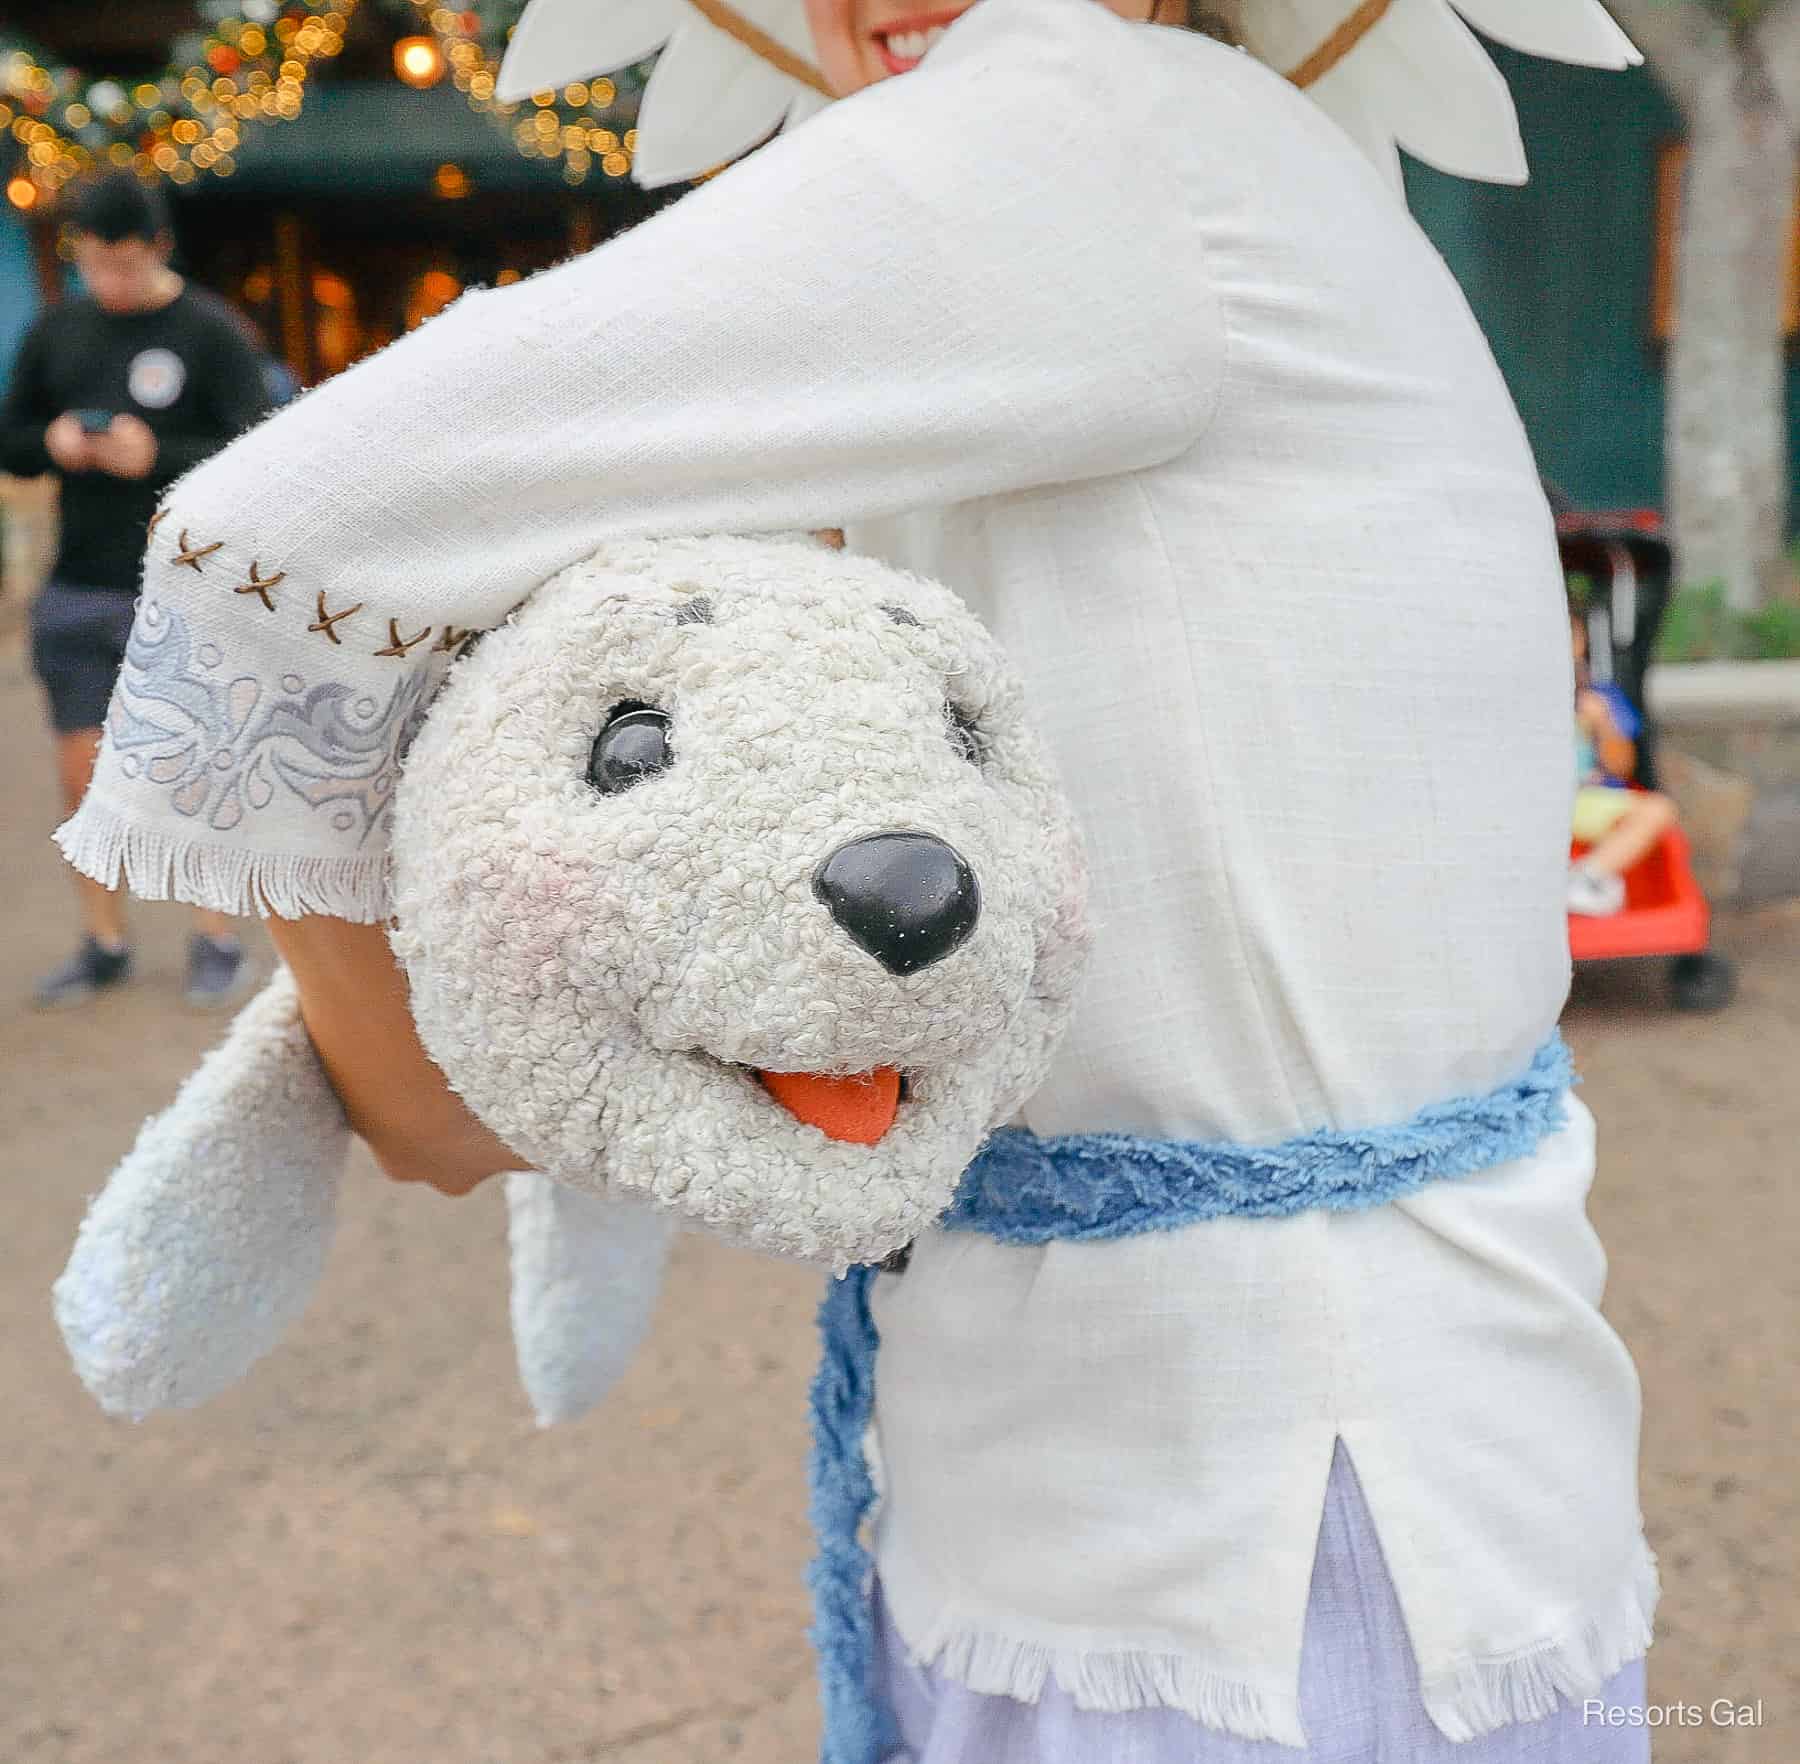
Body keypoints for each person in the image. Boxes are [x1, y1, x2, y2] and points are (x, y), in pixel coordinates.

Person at [57, 0, 1656, 1758]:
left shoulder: (1089, 121)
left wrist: (425, 1078)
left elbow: (266, 539)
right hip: (1299, 1463)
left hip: (1252, 1530)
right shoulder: (1186, 180)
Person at [1, 171, 270, 1009]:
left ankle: (215, 934)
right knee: (83, 776)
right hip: (79, 583)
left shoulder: (210, 331)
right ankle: (103, 940)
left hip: (185, 589)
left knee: (195, 769)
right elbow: (11, 439)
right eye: (92, 264)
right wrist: (50, 440)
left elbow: (261, 452)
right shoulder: (57, 330)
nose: (107, 281)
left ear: (157, 248)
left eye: (122, 263)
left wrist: (154, 456)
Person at [1568, 601, 1678, 916]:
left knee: (1658, 809)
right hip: (1533, 803)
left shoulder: (1601, 697)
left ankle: (1585, 877)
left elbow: (1622, 766)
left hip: (1585, 799)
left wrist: (1603, 724)